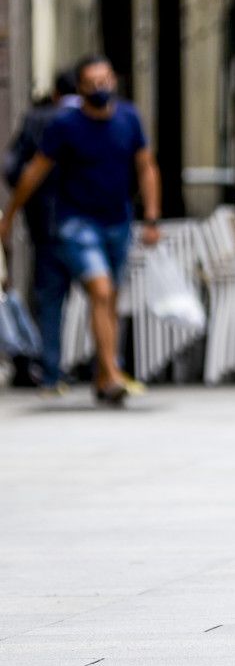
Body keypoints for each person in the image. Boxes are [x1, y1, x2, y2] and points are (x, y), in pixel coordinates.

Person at [0, 55, 161, 406]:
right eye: (92, 82)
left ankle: (103, 379)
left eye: (106, 79)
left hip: (118, 220)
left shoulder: (129, 118)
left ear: (114, 80)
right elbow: (34, 171)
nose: (100, 88)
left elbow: (146, 167)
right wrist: (9, 215)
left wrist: (151, 216)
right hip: (76, 222)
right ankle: (112, 373)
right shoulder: (66, 125)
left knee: (110, 298)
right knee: (100, 291)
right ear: (80, 87)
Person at [3, 70, 78, 395]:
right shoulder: (104, 118)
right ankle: (105, 365)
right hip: (92, 219)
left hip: (46, 222)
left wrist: (20, 209)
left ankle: (50, 371)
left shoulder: (37, 120)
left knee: (50, 298)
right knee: (104, 295)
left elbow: (13, 169)